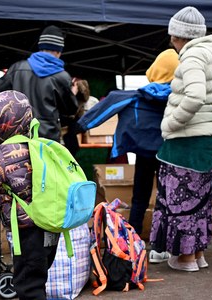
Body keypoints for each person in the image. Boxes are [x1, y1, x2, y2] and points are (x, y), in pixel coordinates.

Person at [152, 6, 212, 272]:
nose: (172, 43)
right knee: (198, 198)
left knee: (179, 199)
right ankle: (197, 254)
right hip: (208, 138)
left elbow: (195, 95)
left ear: (179, 36)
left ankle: (185, 259)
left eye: (173, 37)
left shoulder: (191, 57)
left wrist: (170, 123)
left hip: (186, 140)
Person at [77, 49, 179, 264]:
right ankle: (160, 246)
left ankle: (133, 241)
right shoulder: (179, 98)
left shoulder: (137, 95)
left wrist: (81, 126)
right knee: (167, 197)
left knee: (140, 197)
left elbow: (108, 104)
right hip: (169, 152)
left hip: (143, 152)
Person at [0, 90, 59, 299]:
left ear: (7, 122)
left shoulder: (2, 154)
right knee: (37, 280)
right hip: (49, 226)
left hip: (28, 231)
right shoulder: (36, 144)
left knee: (27, 288)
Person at [0, 25, 79, 142]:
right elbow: (70, 110)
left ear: (40, 47)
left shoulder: (17, 68)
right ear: (58, 51)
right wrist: (73, 94)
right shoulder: (61, 76)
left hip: (18, 134)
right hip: (47, 138)